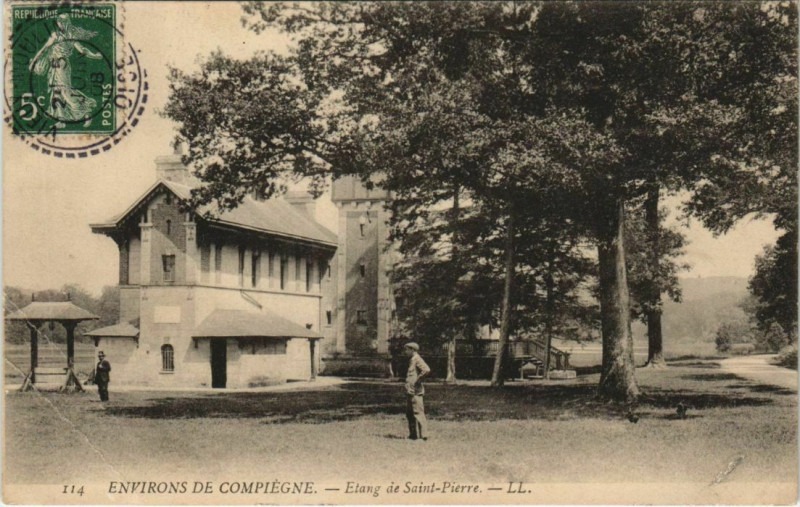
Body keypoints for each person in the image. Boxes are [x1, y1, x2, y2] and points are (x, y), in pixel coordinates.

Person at [404, 342, 430, 440]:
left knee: (418, 413)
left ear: (412, 350)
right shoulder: (412, 360)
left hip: (416, 391)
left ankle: (424, 435)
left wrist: (418, 381)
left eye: (407, 350)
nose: (405, 352)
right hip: (410, 391)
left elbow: (426, 370)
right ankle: (413, 435)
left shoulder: (417, 359)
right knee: (410, 414)